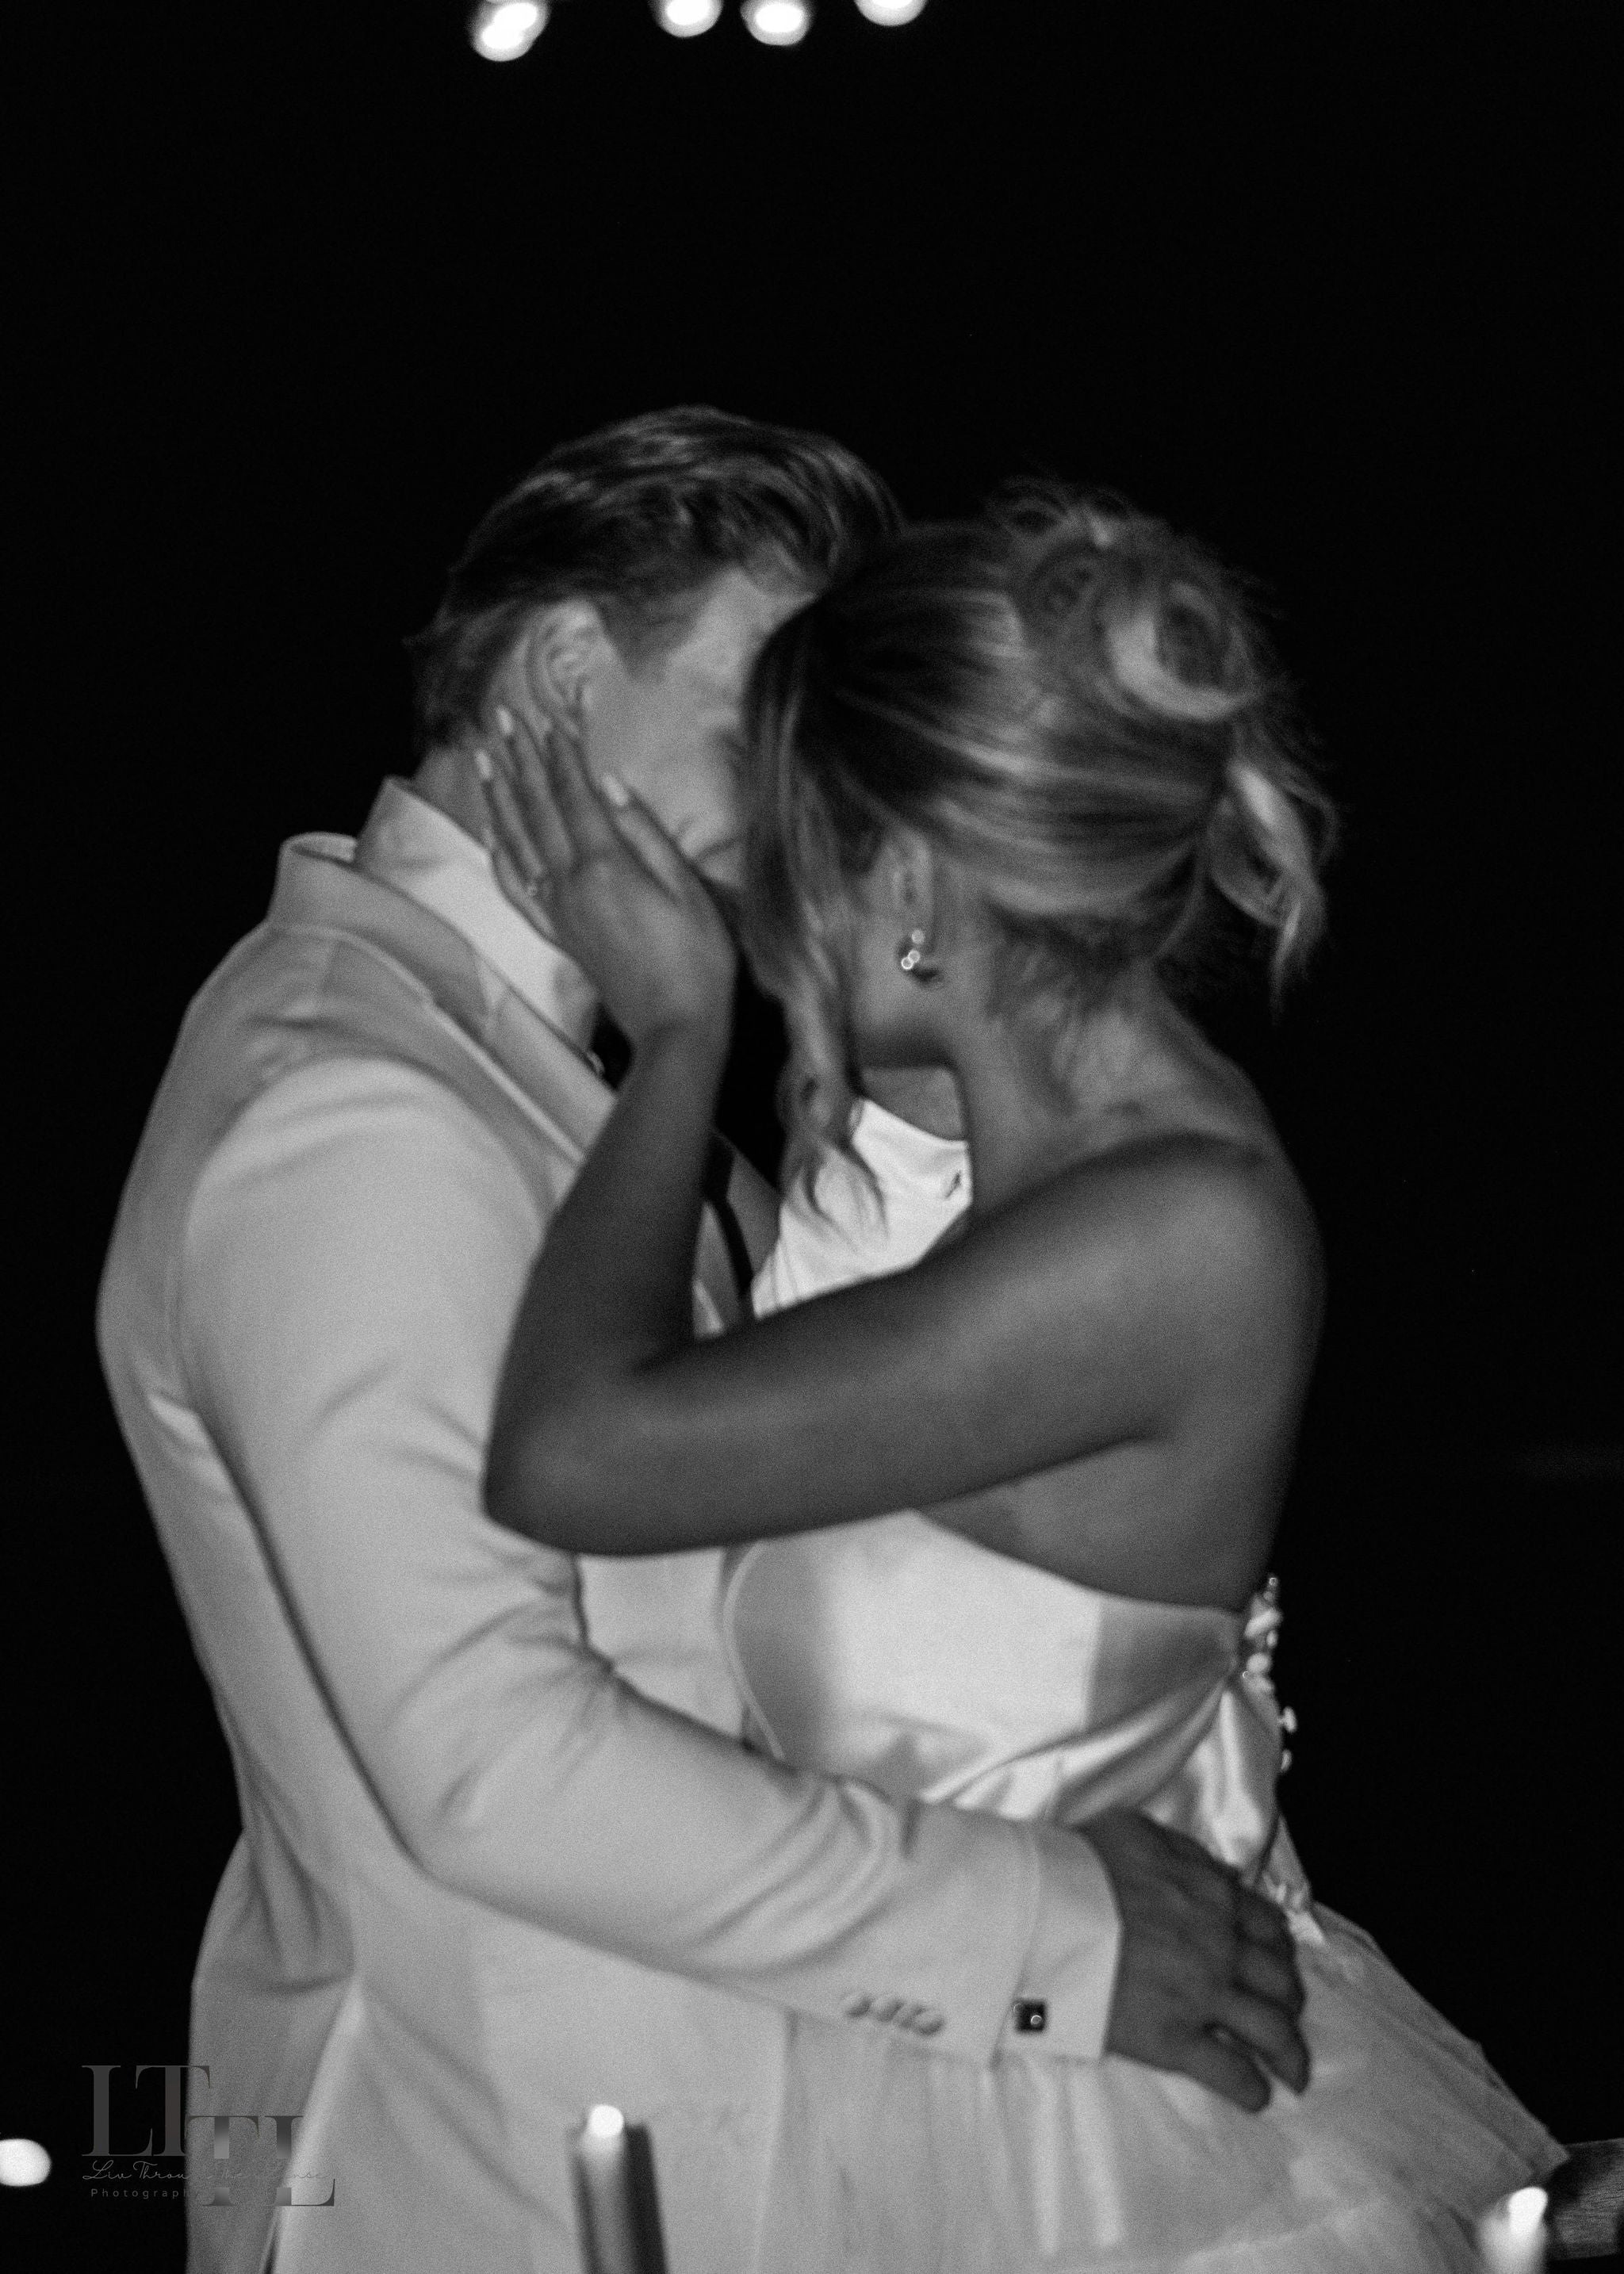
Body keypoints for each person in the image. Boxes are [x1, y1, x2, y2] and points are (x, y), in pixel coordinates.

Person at [97, 411, 1312, 2274]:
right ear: (568, 672)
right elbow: (488, 1764)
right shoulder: (354, 1110)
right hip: (509, 2172)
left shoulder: (546, 1082)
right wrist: (1052, 1934)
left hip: (776, 2147)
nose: (813, 786)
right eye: (770, 714)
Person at [478, 493, 1563, 2269]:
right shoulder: (1007, 1164)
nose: (747, 914)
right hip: (957, 2058)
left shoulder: (1158, 1237)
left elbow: (575, 1454)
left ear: (903, 880)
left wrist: (671, 1035)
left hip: (1113, 2174)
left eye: (781, 855)